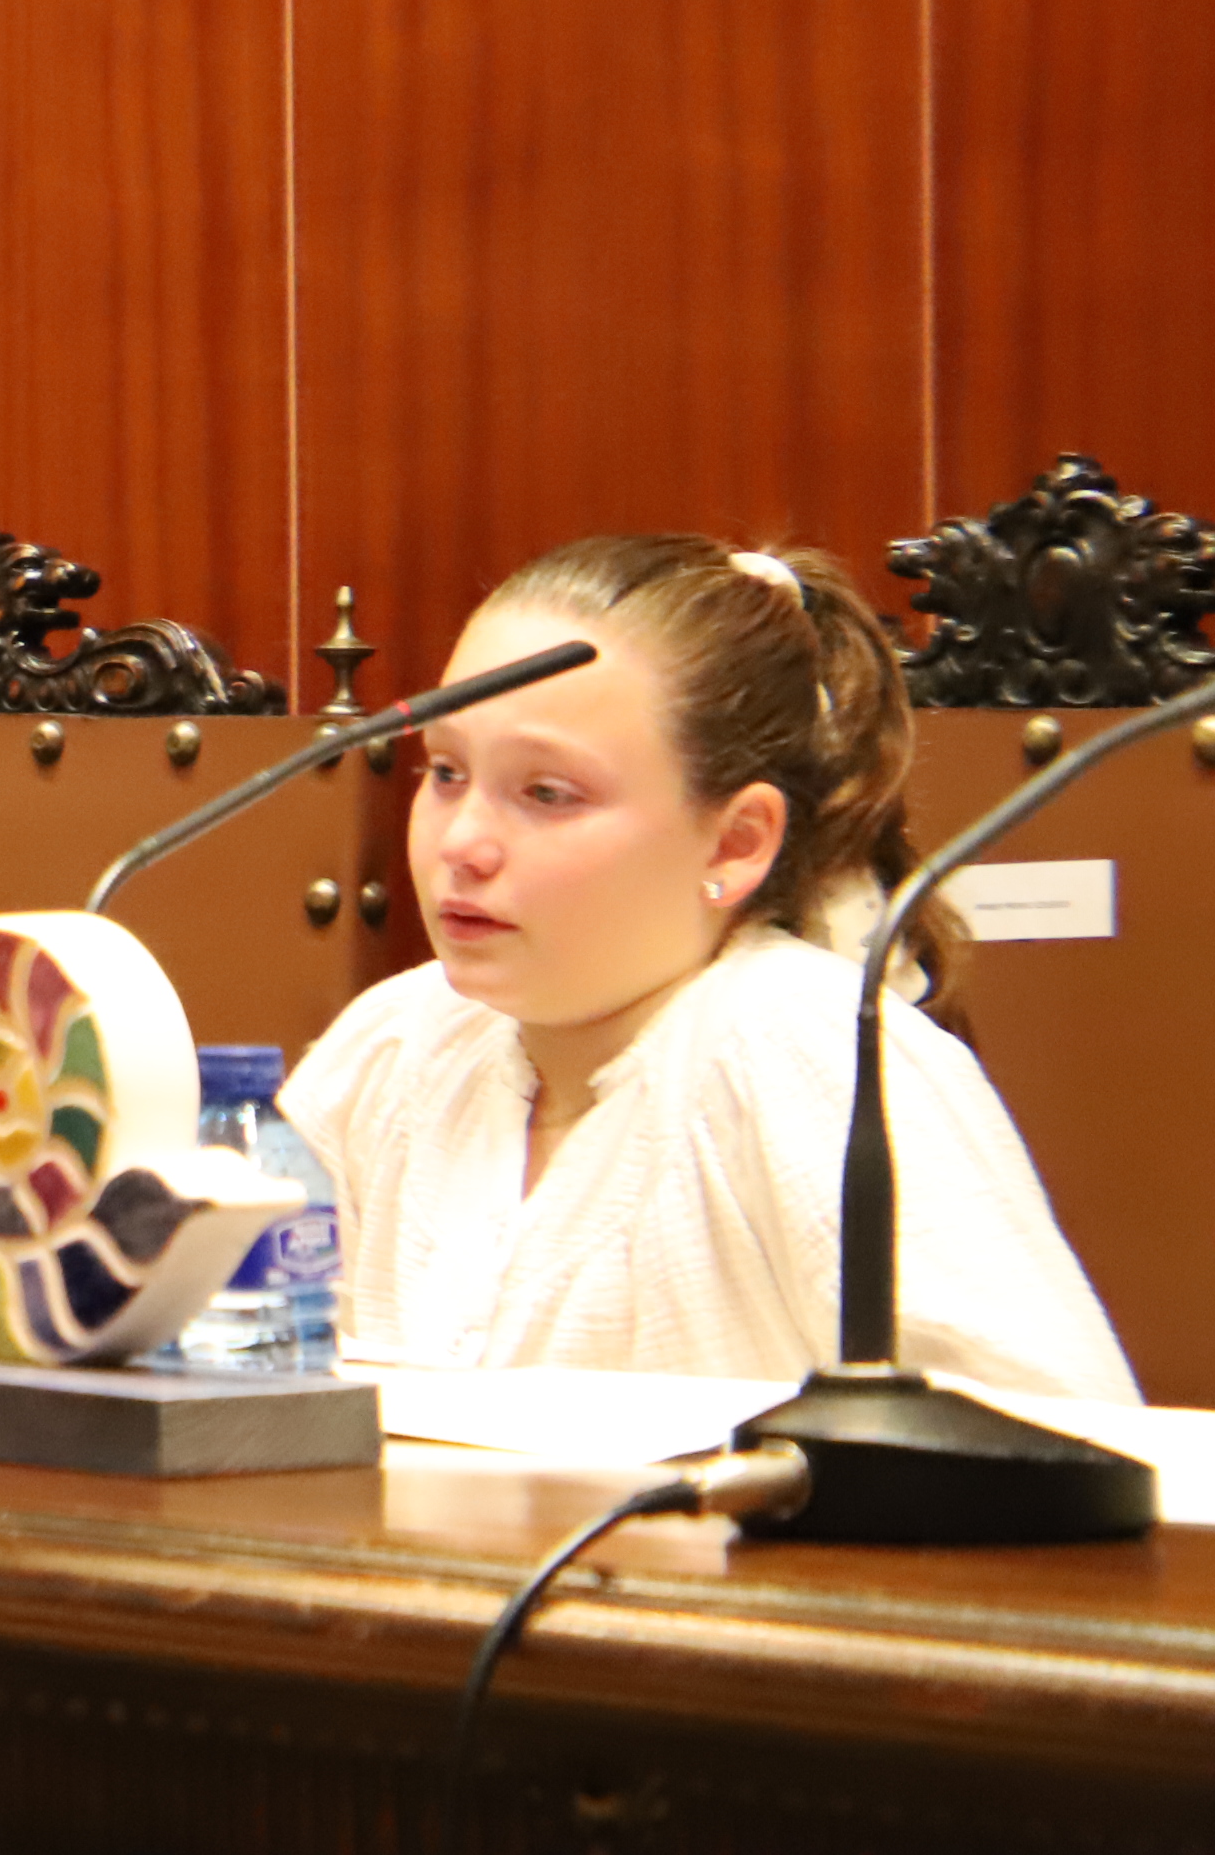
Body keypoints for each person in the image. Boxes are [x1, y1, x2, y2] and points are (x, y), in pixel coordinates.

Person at [281, 535, 1135, 1400]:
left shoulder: (805, 1053)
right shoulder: (395, 1043)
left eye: (547, 793)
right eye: (446, 772)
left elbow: (1062, 1441)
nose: (461, 842)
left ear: (735, 842)